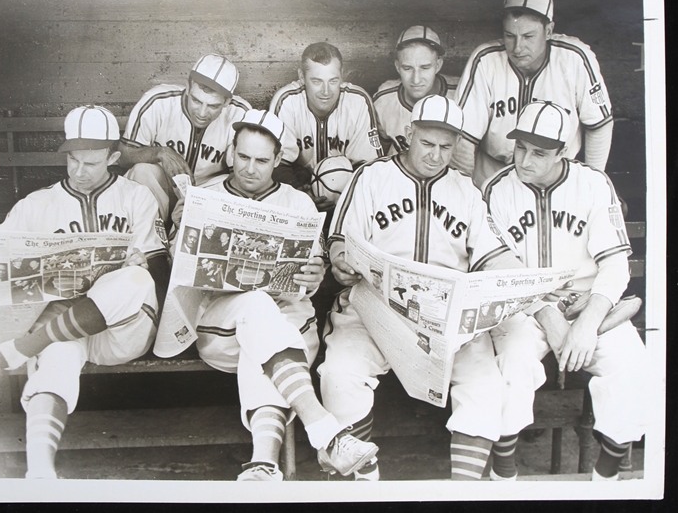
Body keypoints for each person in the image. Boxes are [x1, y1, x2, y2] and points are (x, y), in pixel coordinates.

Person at [319, 94, 523, 481]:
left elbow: (494, 255)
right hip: (374, 309)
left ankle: (462, 492)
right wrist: (342, 260)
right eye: (427, 144)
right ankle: (365, 481)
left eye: (447, 146)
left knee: (484, 385)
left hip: (445, 318)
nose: (435, 155)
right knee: (339, 375)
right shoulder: (372, 176)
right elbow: (340, 240)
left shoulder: (466, 191)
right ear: (409, 133)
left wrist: (522, 279)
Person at [170, 109, 378, 481]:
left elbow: (311, 278)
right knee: (256, 308)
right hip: (222, 331)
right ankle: (326, 432)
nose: (250, 168)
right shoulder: (204, 196)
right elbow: (179, 269)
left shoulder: (297, 202)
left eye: (262, 160)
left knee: (264, 341)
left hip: (289, 329)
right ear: (231, 152)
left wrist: (315, 274)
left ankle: (264, 464)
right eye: (243, 157)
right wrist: (181, 227)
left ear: (278, 160)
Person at [0, 105, 170, 479]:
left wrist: (141, 262)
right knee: (58, 354)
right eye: (73, 161)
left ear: (113, 157)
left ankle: (13, 354)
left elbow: (159, 273)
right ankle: (41, 472)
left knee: (135, 281)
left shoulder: (135, 197)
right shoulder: (36, 205)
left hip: (122, 332)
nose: (79, 171)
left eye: (91, 162)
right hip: (64, 330)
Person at [484, 101, 647, 481]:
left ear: (563, 151)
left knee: (633, 367)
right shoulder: (498, 189)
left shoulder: (592, 184)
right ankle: (503, 477)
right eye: (520, 147)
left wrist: (588, 323)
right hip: (524, 307)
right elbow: (498, 266)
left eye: (539, 152)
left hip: (589, 304)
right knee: (512, 367)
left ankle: (605, 479)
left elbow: (615, 263)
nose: (524, 160)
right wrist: (548, 316)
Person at [455, 0, 614, 188]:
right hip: (494, 174)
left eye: (528, 36)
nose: (517, 47)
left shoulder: (574, 58)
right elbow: (463, 141)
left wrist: (595, 184)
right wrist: (466, 193)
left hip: (555, 177)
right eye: (510, 36)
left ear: (548, 31)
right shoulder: (486, 60)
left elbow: (598, 125)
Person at [119, 54, 298, 221]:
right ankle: (152, 245)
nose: (202, 113)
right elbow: (123, 156)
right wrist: (160, 153)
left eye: (213, 106)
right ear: (188, 88)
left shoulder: (240, 113)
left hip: (208, 193)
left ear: (227, 101)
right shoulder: (158, 101)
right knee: (142, 171)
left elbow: (240, 176)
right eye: (196, 101)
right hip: (162, 188)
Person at [269, 42, 383, 210]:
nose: (326, 91)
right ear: (301, 76)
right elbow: (276, 163)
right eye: (316, 81)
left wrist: (345, 196)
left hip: (349, 194)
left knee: (337, 170)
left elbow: (370, 166)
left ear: (342, 76)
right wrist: (299, 193)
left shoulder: (357, 101)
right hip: (299, 191)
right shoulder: (288, 101)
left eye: (333, 81)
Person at [373, 25, 457, 155]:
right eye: (407, 68)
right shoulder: (384, 98)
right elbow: (379, 154)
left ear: (438, 65)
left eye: (425, 68)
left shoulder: (460, 94)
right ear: (397, 66)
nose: (416, 80)